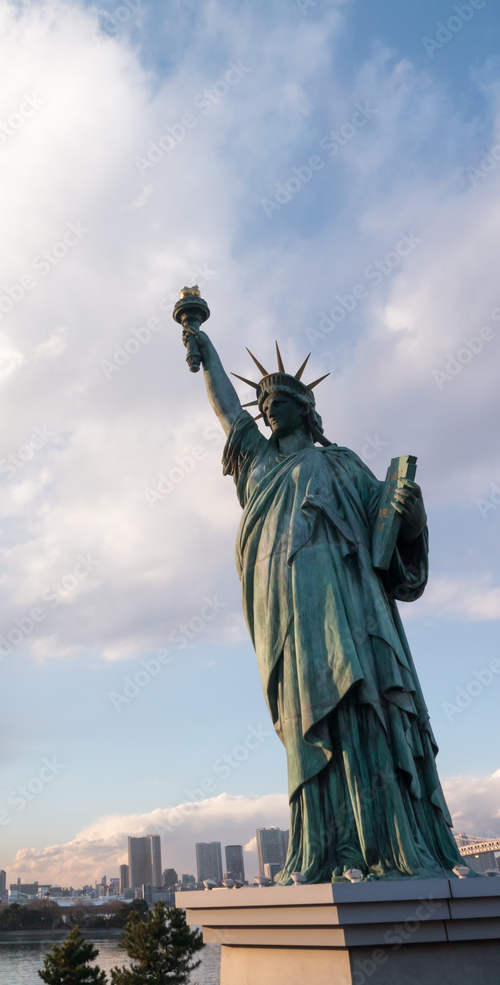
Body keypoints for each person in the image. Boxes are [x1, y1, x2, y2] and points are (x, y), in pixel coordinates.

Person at [185, 325, 463, 883]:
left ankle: (386, 844)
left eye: (279, 398)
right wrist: (203, 345)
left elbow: (390, 535)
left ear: (306, 408)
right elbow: (227, 411)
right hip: (287, 609)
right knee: (309, 717)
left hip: (354, 606)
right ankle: (329, 846)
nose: (268, 406)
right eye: (264, 401)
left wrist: (413, 517)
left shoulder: (342, 464)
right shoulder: (257, 463)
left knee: (367, 705)